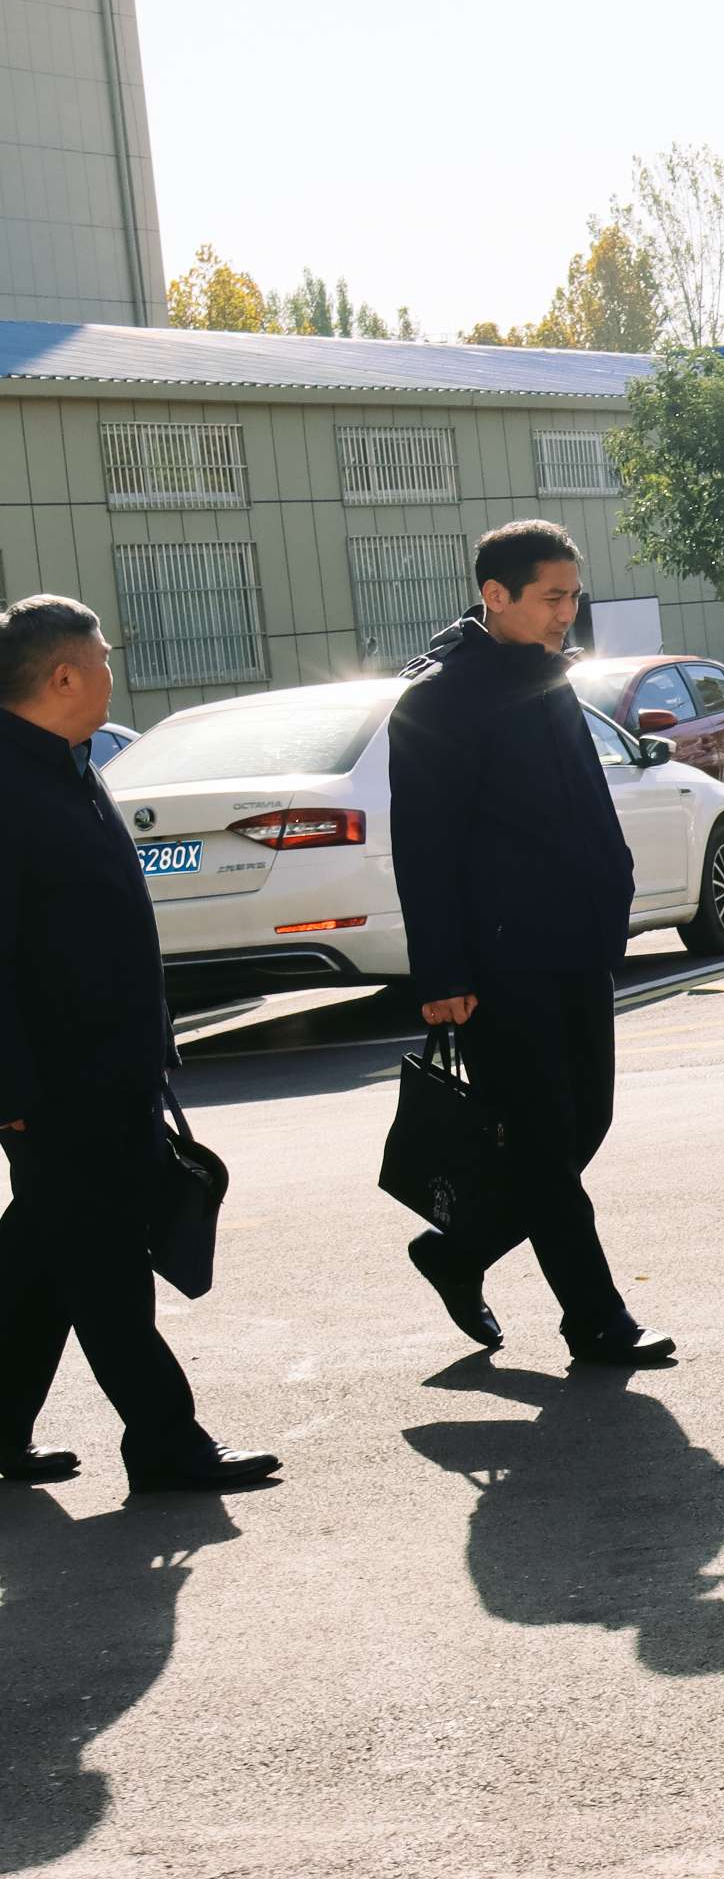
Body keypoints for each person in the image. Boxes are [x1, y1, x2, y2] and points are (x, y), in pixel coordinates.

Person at [0, 597, 278, 1495]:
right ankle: (166, 1442)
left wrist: (151, 1044)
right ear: (64, 676)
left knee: (41, 1257)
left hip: (112, 1068)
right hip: (54, 1084)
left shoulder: (68, 767)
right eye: (104, 659)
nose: (113, 675)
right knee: (106, 1264)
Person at [389, 522, 678, 1367]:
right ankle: (596, 1319)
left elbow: (584, 805)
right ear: (496, 595)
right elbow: (424, 849)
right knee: (547, 1143)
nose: (566, 613)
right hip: (498, 962)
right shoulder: (438, 700)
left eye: (573, 597)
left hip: (576, 944)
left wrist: (613, 899)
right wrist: (442, 972)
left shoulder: (549, 677)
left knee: (586, 1123)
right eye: (552, 598)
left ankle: (459, 1252)